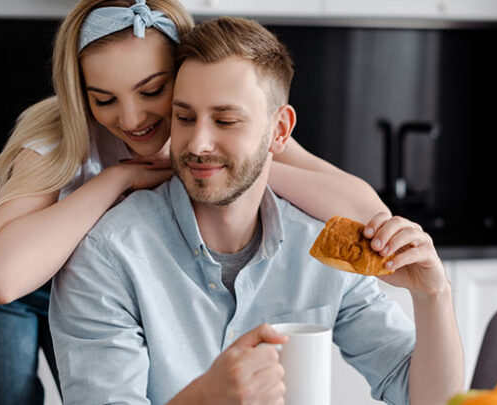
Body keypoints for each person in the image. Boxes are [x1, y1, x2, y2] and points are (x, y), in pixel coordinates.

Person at [0, 1, 388, 404]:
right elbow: (0, 280)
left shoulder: (209, 122)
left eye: (153, 91)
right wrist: (119, 177)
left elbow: (368, 213)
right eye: (104, 99)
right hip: (12, 270)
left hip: (94, 277)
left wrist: (237, 167)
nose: (132, 118)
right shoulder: (56, 138)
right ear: (81, 95)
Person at [50, 16, 464, 405]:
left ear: (279, 131)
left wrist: (434, 295)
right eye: (184, 117)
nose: (198, 144)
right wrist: (204, 399)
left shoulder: (322, 249)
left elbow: (423, 396)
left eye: (226, 121)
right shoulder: (107, 254)